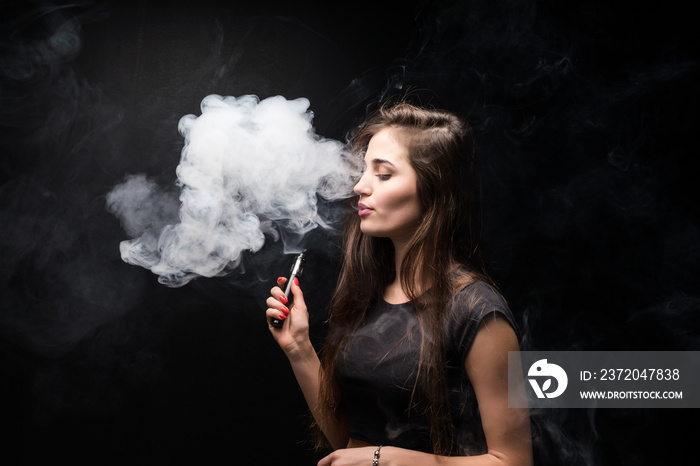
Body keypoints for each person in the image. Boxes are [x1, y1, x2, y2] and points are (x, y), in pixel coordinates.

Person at [265, 102, 533, 465]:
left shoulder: (478, 312)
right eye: (364, 172)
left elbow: (513, 461)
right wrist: (298, 347)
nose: (360, 186)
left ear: (433, 188)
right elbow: (347, 442)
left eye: (384, 175)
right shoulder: (367, 296)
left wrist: (391, 459)